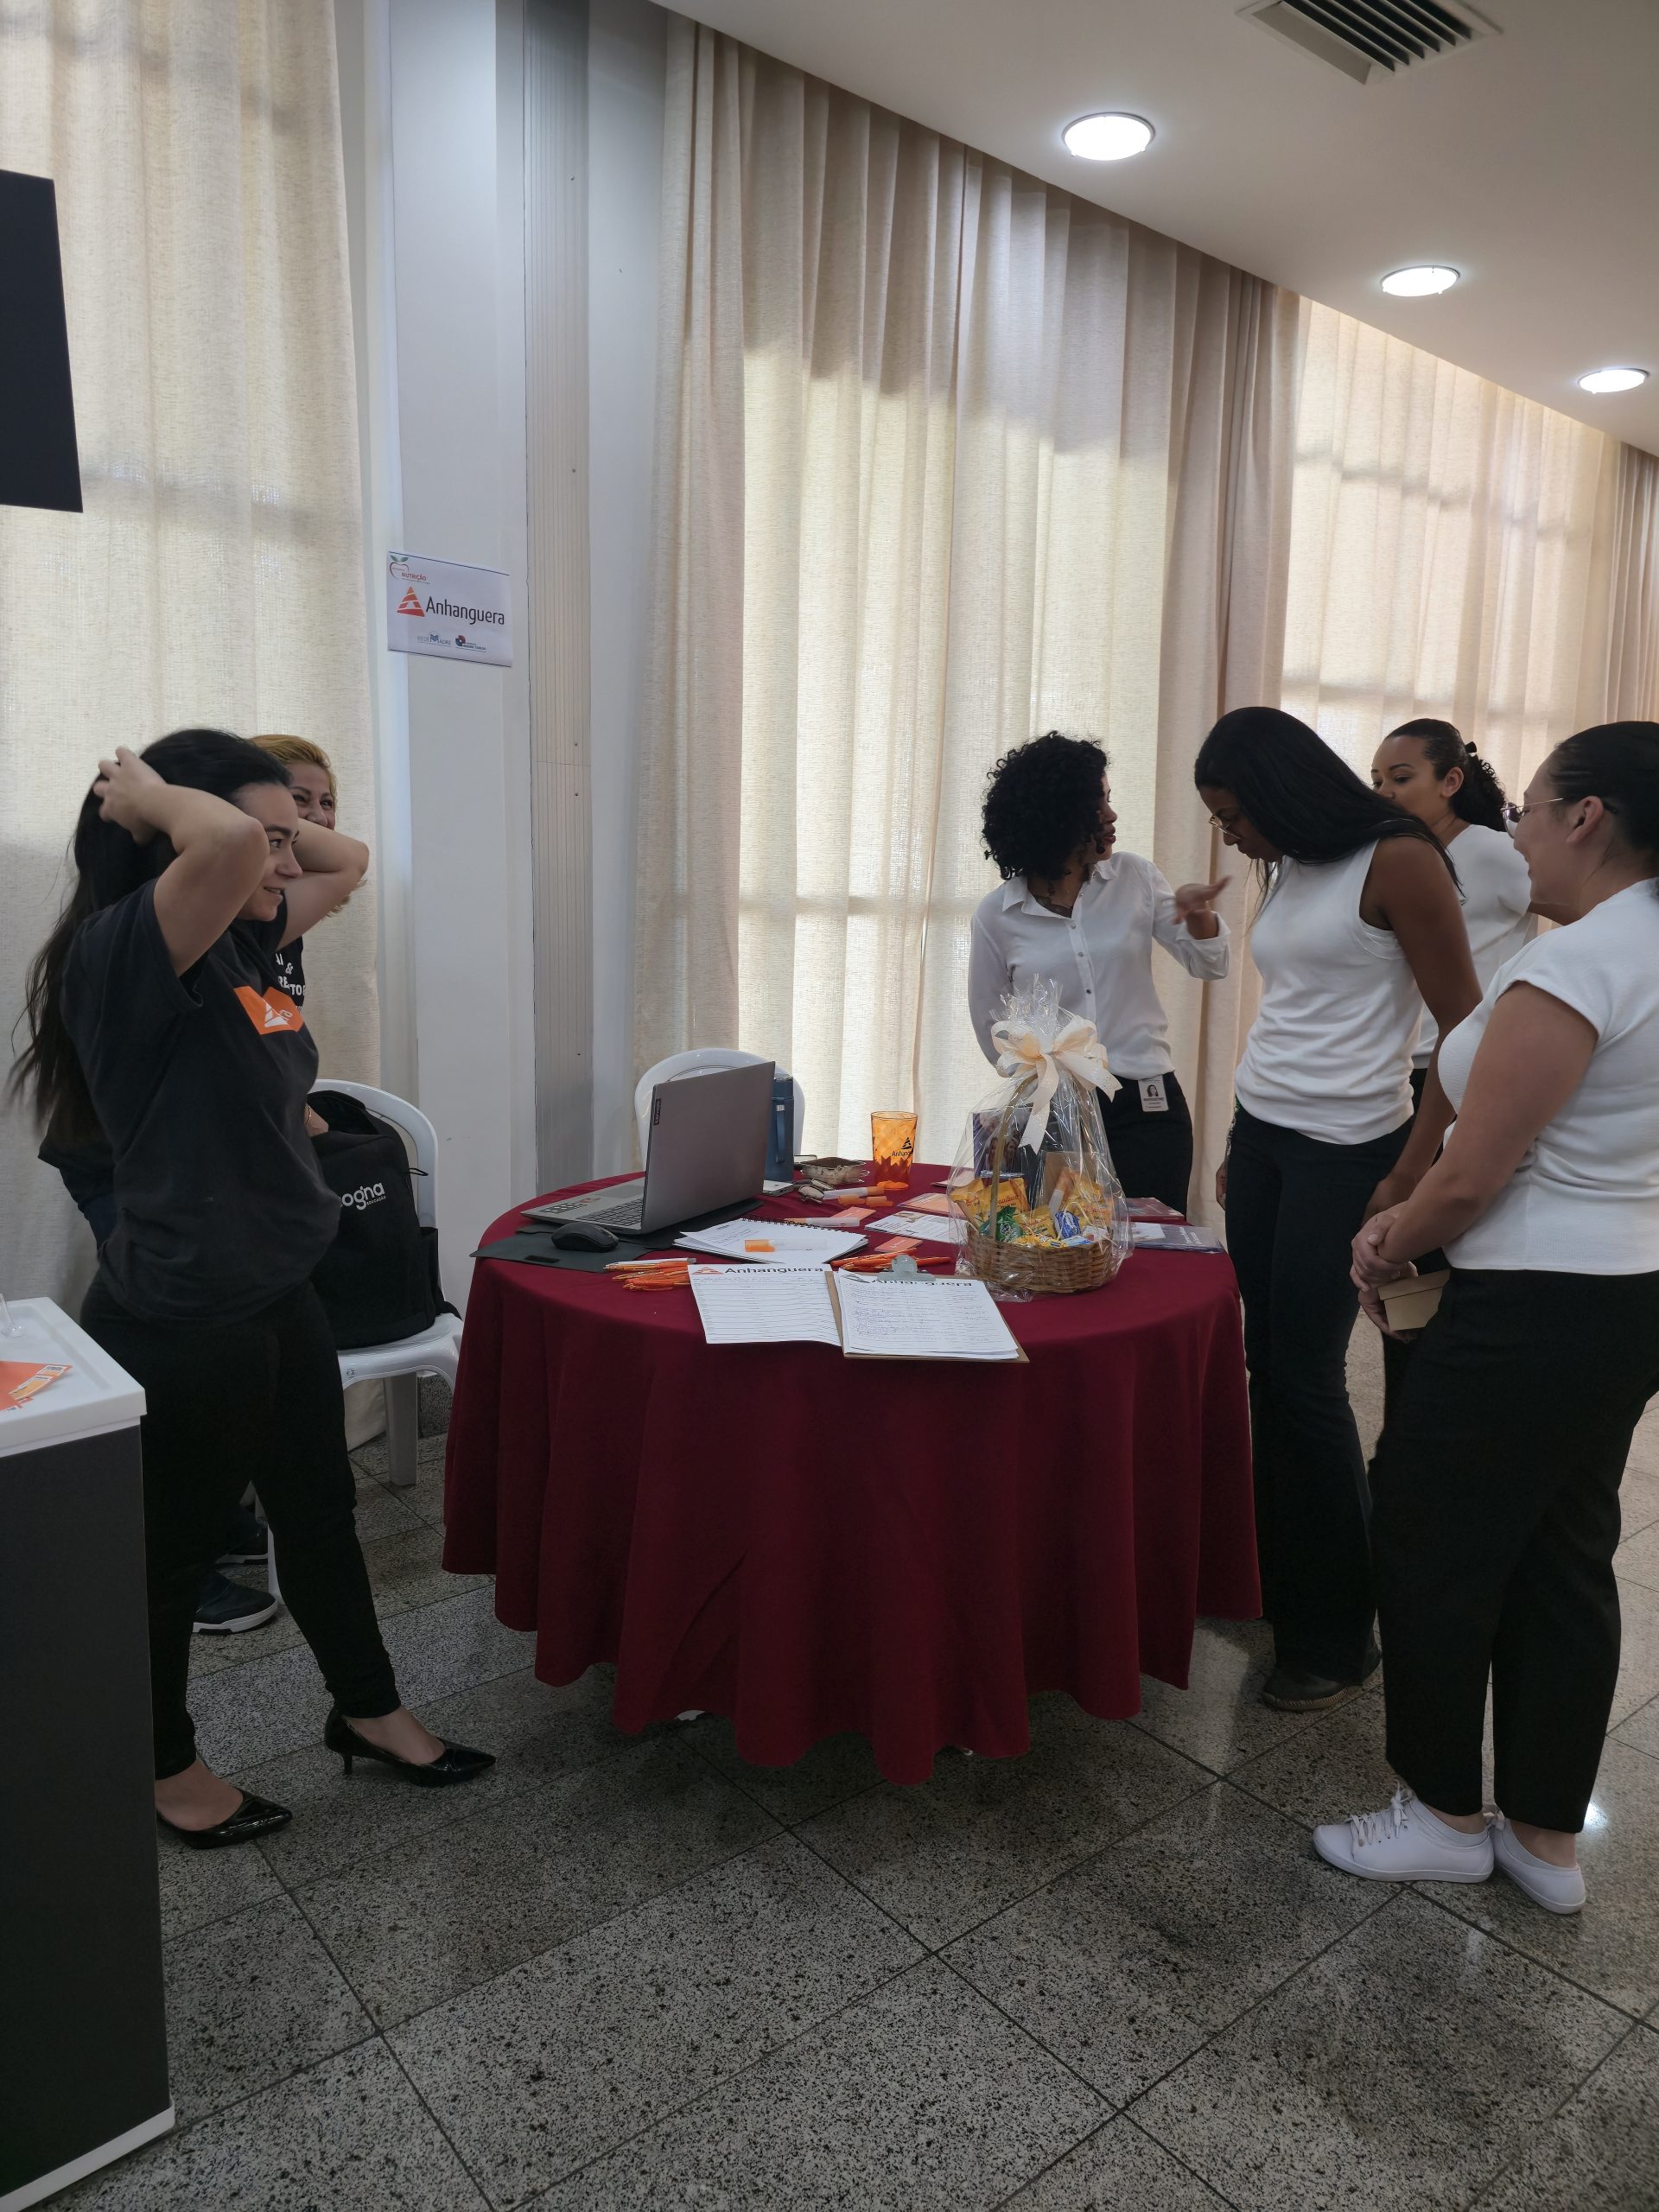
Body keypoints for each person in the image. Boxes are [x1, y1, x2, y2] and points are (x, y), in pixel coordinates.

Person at [10, 729, 492, 1849]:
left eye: (286, 837)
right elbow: (227, 846)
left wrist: (269, 826)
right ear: (171, 835)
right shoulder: (127, 954)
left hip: (279, 1291)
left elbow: (346, 860)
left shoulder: (243, 942)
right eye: (266, 838)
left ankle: (367, 1709)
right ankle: (165, 1766)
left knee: (320, 1518)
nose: (285, 859)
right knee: (170, 1562)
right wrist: (150, 795)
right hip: (185, 1316)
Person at [1321, 722, 1659, 1914]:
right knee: (1565, 1551)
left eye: (1532, 811)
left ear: (1587, 818)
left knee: (1432, 1536)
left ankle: (1440, 1814)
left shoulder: (1581, 964)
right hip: (1628, 1292)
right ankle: (1545, 1840)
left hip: (1529, 1299)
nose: (1516, 835)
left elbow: (1473, 1174)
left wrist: (1385, 1239)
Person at [1194, 707, 1479, 1713]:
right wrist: (1238, 1142)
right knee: (1264, 1364)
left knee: (1306, 1379)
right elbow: (1293, 1008)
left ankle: (1338, 1634)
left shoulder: (1398, 860)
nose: (1231, 836)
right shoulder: (1295, 861)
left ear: (1280, 792)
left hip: (1345, 1148)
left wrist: (1409, 1172)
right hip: (1266, 1137)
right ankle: (1288, 1583)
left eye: (1234, 815)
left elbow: (1463, 1028)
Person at [969, 731, 1230, 1213]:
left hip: (1148, 1106)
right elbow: (993, 1031)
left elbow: (1210, 964)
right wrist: (1042, 1085)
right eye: (1097, 805)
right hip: (1054, 1110)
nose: (1111, 816)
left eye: (1109, 800)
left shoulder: (1137, 878)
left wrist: (1200, 918)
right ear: (1056, 816)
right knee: (1060, 1239)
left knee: (1152, 1244)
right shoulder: (996, 915)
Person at [1367, 718, 1536, 1431]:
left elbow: (1575, 902)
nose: (1385, 792)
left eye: (1401, 778)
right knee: (1400, 1253)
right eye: (1377, 781)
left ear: (1451, 781)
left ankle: (1427, 1421)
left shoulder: (1490, 851)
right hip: (1410, 1069)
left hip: (1464, 1073)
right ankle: (1409, 1418)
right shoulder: (1402, 856)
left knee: (1431, 1247)